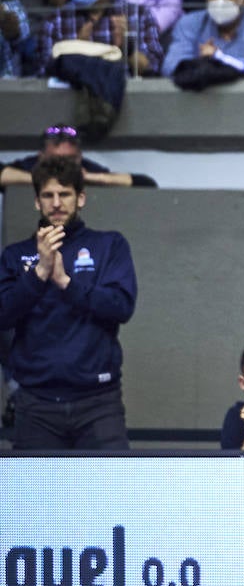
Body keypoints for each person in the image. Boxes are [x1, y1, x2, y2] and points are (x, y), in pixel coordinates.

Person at [0, 156, 135, 450]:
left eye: (65, 194)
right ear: (37, 202)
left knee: (111, 495)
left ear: (81, 198)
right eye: (48, 195)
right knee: (34, 496)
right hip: (36, 403)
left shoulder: (110, 245)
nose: (57, 203)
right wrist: (38, 275)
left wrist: (65, 282)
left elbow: (121, 306)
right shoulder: (14, 255)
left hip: (99, 402)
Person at [1, 123, 149, 188]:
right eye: (56, 159)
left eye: (70, 159)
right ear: (41, 156)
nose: (63, 164)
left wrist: (89, 178)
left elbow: (146, 183)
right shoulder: (29, 165)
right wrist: (42, 179)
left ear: (79, 157)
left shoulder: (87, 168)